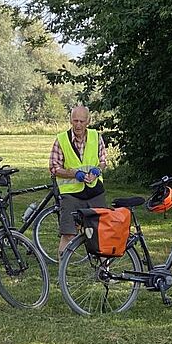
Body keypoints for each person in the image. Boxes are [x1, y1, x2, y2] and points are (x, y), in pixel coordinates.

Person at [49, 105, 108, 257]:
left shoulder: (96, 137)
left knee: (101, 232)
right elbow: (54, 168)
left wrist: (96, 171)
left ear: (88, 121)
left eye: (82, 121)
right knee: (68, 234)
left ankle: (105, 272)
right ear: (70, 120)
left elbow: (102, 161)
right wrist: (73, 174)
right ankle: (62, 271)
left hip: (95, 192)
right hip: (72, 195)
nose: (78, 125)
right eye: (75, 121)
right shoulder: (61, 140)